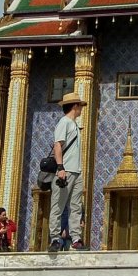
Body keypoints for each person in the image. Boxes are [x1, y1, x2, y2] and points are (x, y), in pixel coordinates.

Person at [49, 92, 87, 253]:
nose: (81, 109)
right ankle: (55, 238)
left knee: (76, 205)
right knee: (58, 205)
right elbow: (58, 145)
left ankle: (76, 238)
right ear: (75, 106)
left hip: (76, 171)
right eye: (80, 106)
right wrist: (60, 167)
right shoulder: (64, 122)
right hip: (65, 170)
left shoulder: (74, 125)